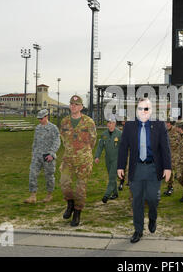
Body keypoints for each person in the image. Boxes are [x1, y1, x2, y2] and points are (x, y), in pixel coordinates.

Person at [117, 98, 171, 243]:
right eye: (140, 108)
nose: (143, 111)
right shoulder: (129, 126)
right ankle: (138, 230)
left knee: (153, 198)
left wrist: (167, 168)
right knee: (137, 201)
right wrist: (120, 166)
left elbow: (165, 148)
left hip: (154, 168)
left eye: (146, 108)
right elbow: (123, 148)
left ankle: (152, 217)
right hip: (137, 168)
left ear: (151, 110)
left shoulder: (159, 125)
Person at [59, 95, 97, 226]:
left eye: (76, 105)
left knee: (80, 188)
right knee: (64, 183)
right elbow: (63, 138)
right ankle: (70, 203)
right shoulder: (64, 122)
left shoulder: (89, 122)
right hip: (68, 158)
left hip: (84, 160)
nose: (73, 106)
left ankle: (77, 212)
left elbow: (93, 140)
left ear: (81, 107)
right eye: (71, 104)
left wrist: (84, 152)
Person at [24, 109, 61, 204]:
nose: (40, 120)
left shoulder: (53, 128)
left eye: (41, 118)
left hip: (48, 155)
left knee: (49, 175)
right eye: (39, 119)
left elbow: (57, 141)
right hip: (37, 155)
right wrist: (33, 152)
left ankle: (49, 195)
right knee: (32, 173)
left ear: (46, 117)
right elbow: (35, 141)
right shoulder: (38, 128)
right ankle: (33, 196)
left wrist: (52, 153)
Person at [95, 116, 122, 203]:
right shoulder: (104, 134)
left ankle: (106, 195)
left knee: (111, 177)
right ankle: (115, 193)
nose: (109, 125)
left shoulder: (119, 134)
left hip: (116, 159)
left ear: (114, 124)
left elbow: (124, 146)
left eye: (111, 123)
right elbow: (100, 146)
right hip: (108, 159)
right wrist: (97, 156)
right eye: (108, 123)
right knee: (112, 176)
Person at [163, 118, 179, 196]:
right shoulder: (163, 131)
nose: (166, 124)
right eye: (165, 122)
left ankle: (170, 187)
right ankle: (170, 186)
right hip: (165, 154)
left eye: (168, 122)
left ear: (170, 123)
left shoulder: (176, 131)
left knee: (171, 170)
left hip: (174, 154)